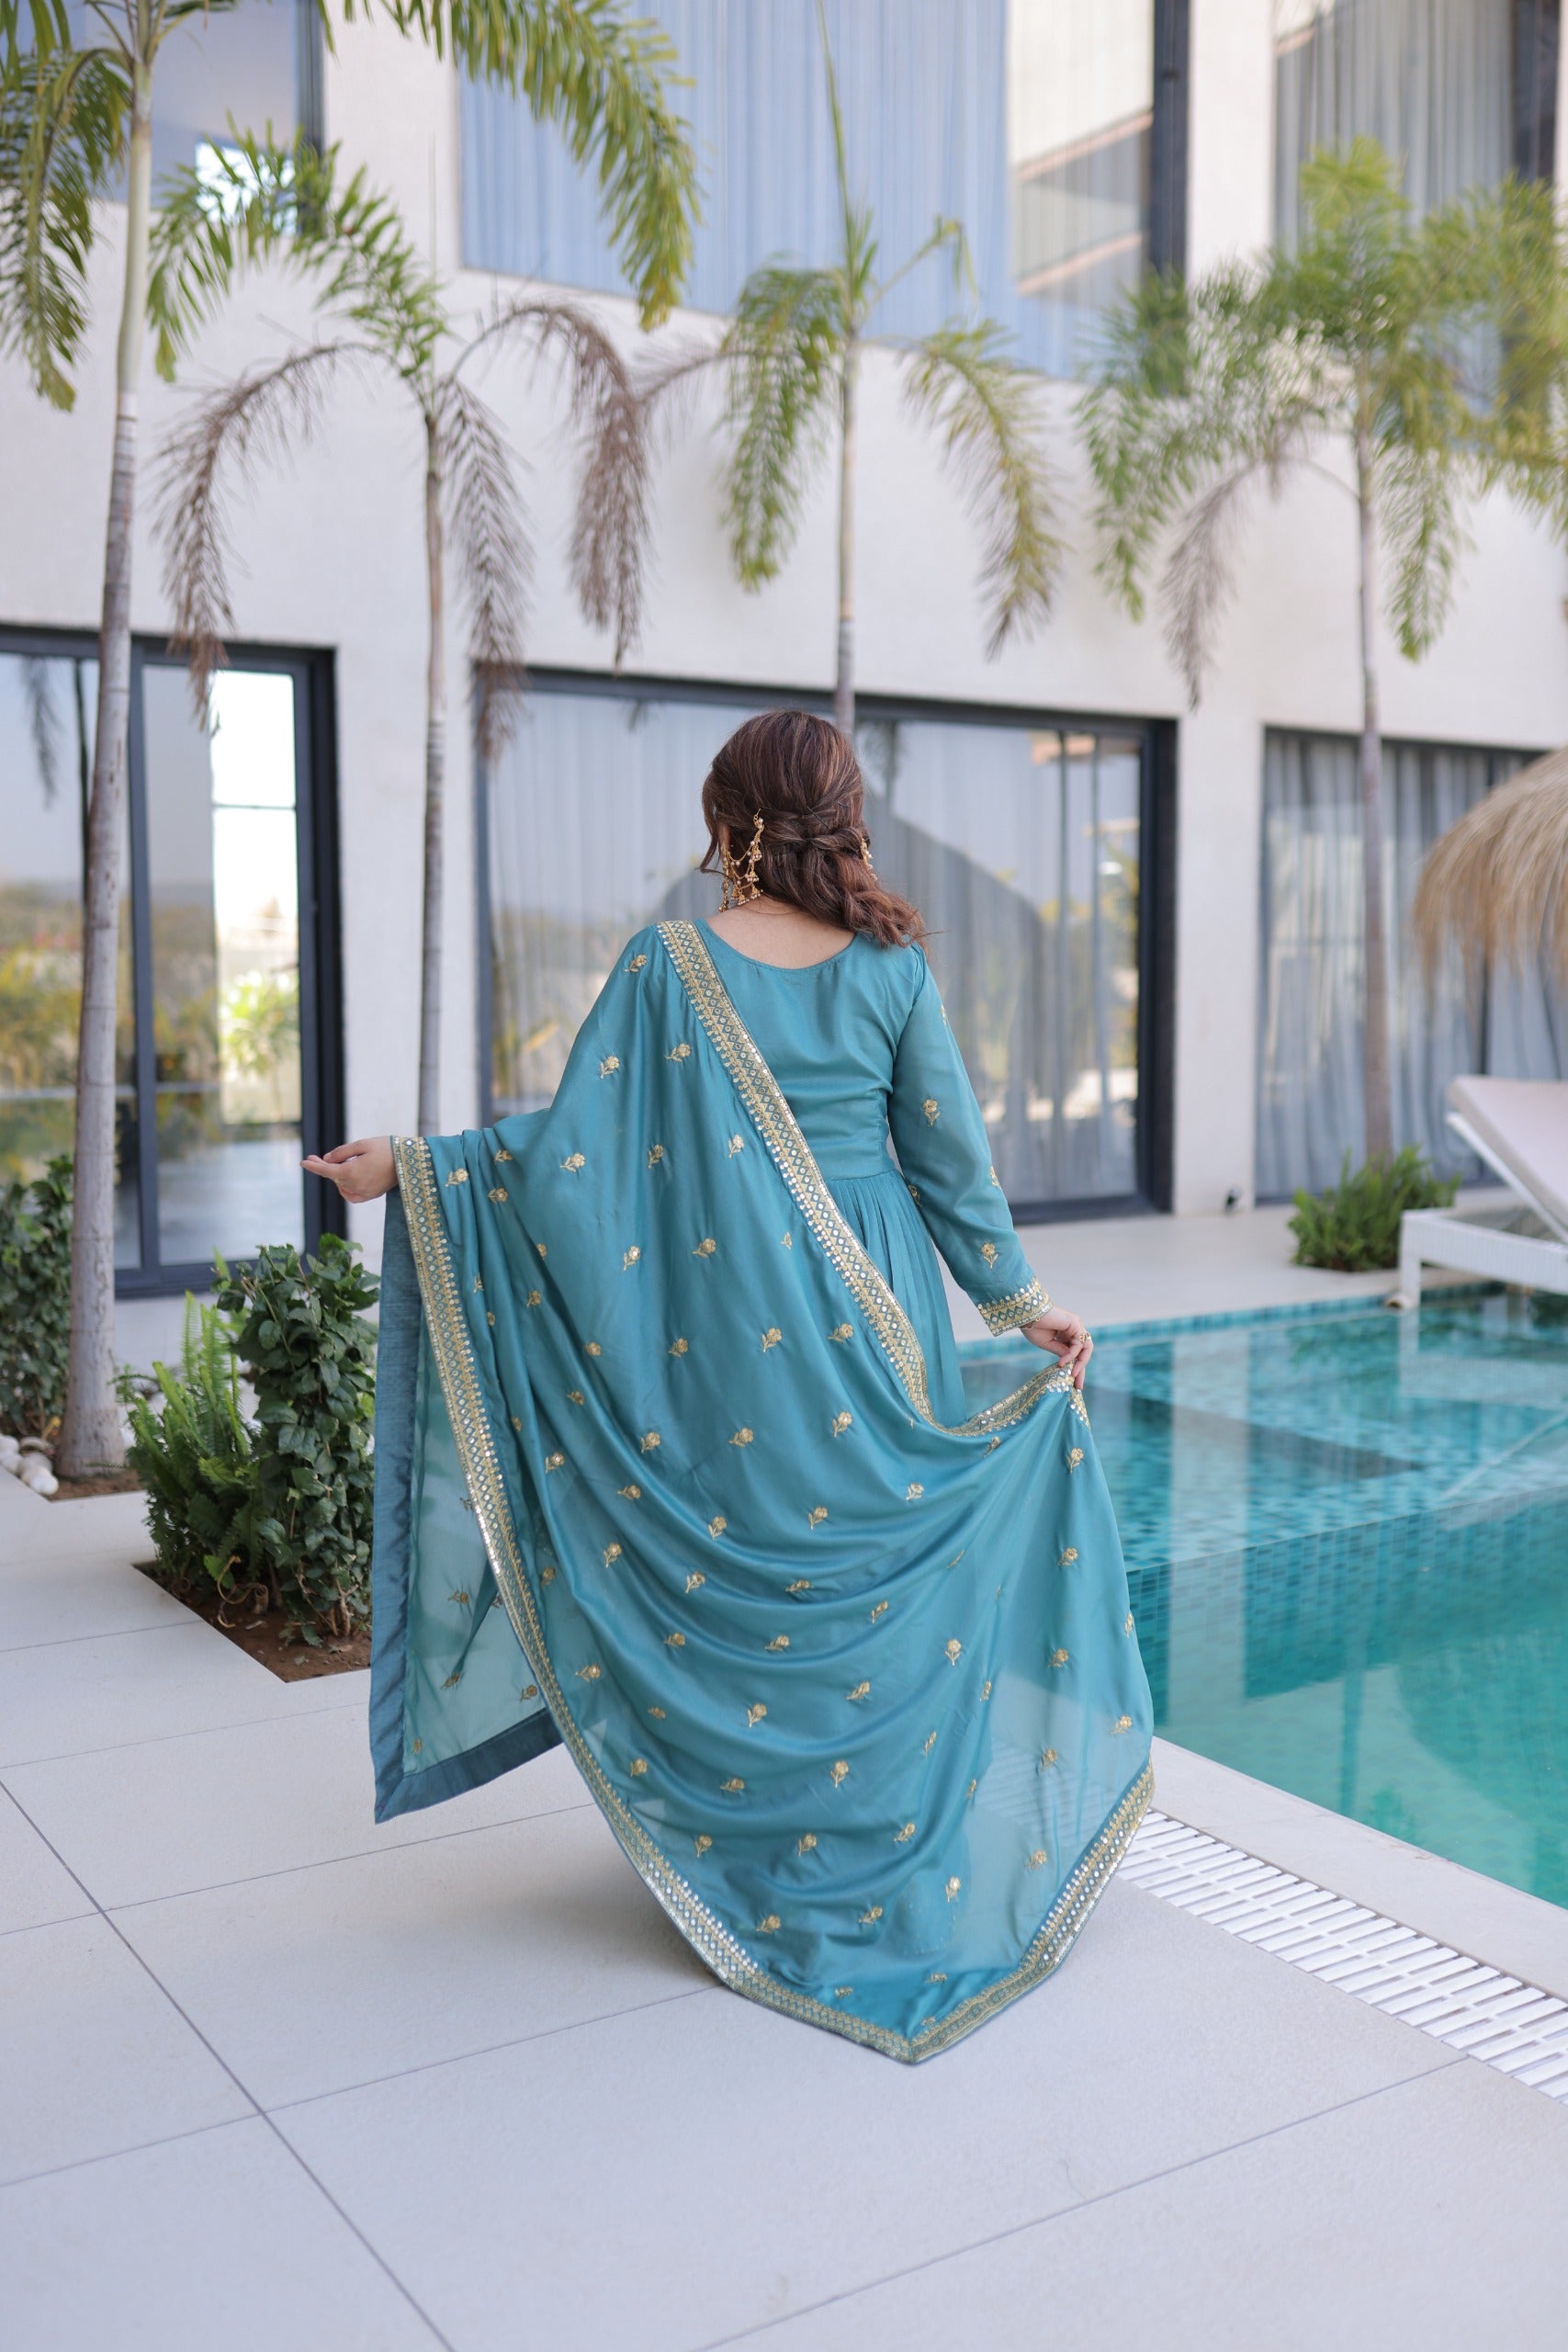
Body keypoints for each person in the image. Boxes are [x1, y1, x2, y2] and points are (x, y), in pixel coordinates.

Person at [307, 710, 1151, 2061]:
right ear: (843, 811)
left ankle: (769, 1843)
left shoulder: (670, 964)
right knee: (871, 1575)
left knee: (768, 1567)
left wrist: (416, 1166)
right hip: (878, 1309)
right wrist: (1020, 1304)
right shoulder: (892, 965)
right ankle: (879, 1834)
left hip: (742, 1320)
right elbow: (950, 1166)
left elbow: (576, 1159)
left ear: (732, 819)